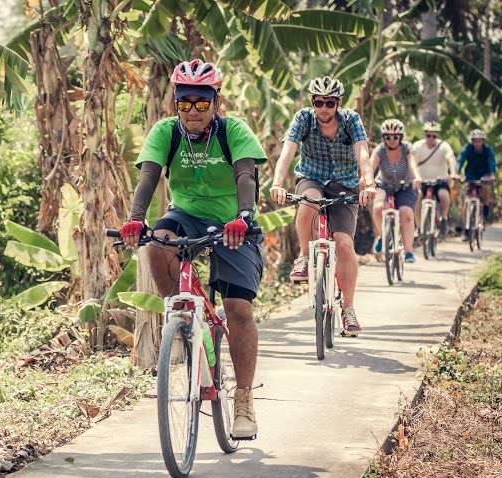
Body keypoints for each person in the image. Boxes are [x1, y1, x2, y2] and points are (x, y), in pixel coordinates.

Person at [119, 59, 267, 440]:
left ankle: (244, 401)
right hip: (185, 214)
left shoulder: (232, 130)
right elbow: (150, 176)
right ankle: (183, 320)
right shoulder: (166, 133)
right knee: (157, 244)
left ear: (215, 101)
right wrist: (136, 218)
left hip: (233, 223)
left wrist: (245, 216)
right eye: (185, 103)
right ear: (176, 102)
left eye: (202, 103)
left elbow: (246, 174)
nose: (193, 111)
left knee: (238, 309)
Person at [269, 76, 375, 336]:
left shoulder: (351, 121)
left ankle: (348, 309)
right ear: (312, 102)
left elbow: (363, 152)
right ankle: (305, 257)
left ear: (338, 103)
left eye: (330, 103)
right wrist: (277, 183)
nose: (324, 108)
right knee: (309, 203)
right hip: (311, 178)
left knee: (345, 244)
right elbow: (288, 152)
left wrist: (369, 183)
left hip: (345, 183)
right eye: (319, 102)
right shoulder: (303, 119)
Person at [370, 119, 423, 263]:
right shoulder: (380, 150)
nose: (392, 140)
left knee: (406, 212)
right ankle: (382, 236)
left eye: (395, 137)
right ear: (383, 138)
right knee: (378, 208)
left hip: (405, 187)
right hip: (384, 186)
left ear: (401, 137)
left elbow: (412, 163)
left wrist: (417, 177)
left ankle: (409, 251)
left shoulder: (407, 148)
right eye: (388, 137)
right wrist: (367, 180)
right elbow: (370, 166)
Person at [411, 121, 458, 236]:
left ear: (438, 136)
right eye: (428, 135)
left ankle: (444, 218)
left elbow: (451, 159)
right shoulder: (417, 146)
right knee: (416, 199)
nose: (431, 138)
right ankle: (419, 227)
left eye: (434, 136)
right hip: (421, 181)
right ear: (425, 135)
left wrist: (453, 173)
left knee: (443, 195)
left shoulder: (444, 146)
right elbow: (411, 160)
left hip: (440, 180)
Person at [457, 129, 497, 225]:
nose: (477, 143)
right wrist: (457, 173)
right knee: (466, 201)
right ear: (472, 141)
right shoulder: (467, 148)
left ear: (483, 141)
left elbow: (491, 163)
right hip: (470, 175)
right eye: (475, 140)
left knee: (486, 187)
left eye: (479, 140)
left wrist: (491, 175)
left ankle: (486, 206)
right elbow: (460, 161)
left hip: (484, 175)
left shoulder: (488, 150)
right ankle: (466, 228)